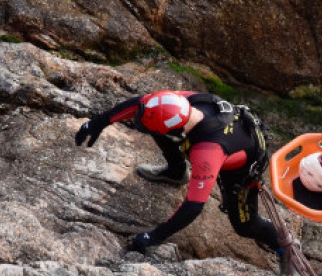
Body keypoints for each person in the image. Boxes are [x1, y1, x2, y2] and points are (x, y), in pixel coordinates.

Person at [74, 89, 280, 258]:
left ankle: (284, 246)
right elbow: (142, 105)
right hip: (228, 135)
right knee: (155, 124)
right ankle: (177, 171)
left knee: (245, 225)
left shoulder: (206, 152)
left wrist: (153, 237)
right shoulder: (181, 103)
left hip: (240, 167)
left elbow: (193, 206)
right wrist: (98, 122)